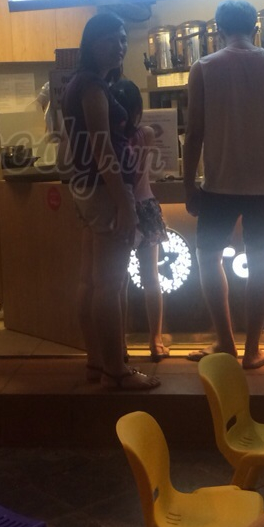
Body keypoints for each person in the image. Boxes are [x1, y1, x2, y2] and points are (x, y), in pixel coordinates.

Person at [183, 0, 264, 369]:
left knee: (209, 258)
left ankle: (225, 343)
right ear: (256, 28)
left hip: (219, 184)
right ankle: (253, 350)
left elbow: (194, 133)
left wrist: (188, 185)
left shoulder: (203, 67)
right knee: (259, 263)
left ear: (218, 30)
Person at [62, 12, 160, 391]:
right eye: (110, 39)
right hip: (105, 191)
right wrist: (125, 204)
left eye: (123, 39)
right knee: (110, 284)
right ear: (91, 43)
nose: (120, 46)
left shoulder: (80, 83)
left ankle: (96, 361)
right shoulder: (92, 87)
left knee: (90, 281)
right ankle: (116, 371)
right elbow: (104, 151)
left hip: (87, 188)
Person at [110, 79, 170, 361]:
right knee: (151, 278)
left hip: (119, 210)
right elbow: (157, 129)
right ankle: (155, 341)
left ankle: (120, 344)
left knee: (118, 282)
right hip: (145, 208)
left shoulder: (108, 141)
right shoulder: (145, 134)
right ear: (137, 110)